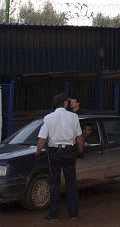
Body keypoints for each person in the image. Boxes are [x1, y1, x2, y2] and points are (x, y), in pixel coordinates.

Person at [36, 93, 85, 222]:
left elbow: (42, 139)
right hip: (69, 153)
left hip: (54, 153)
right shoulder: (74, 117)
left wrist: (38, 153)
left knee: (54, 184)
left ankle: (54, 215)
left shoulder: (48, 118)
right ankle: (73, 214)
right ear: (64, 103)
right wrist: (80, 151)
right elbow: (79, 138)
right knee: (71, 184)